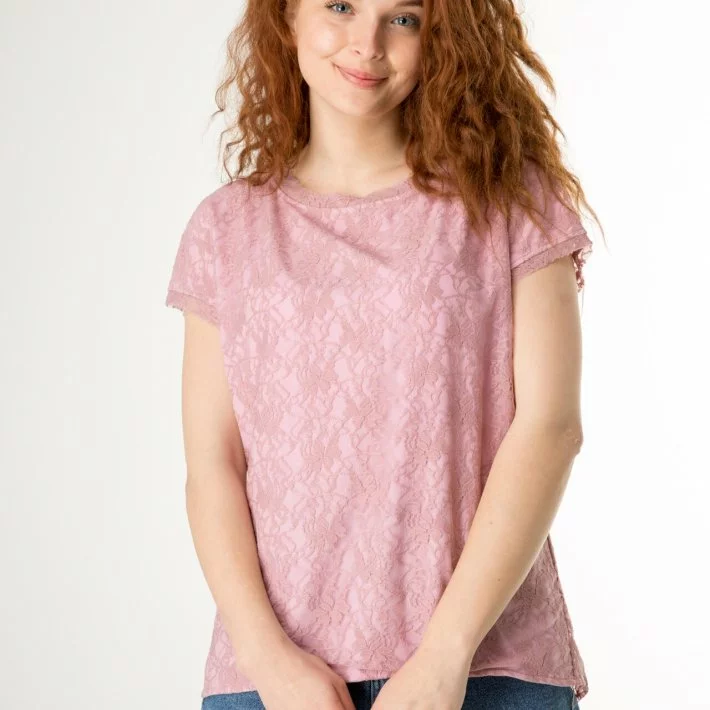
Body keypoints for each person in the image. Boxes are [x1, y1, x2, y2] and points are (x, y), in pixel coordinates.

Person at [164, 1, 604, 708]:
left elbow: (551, 427)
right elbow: (214, 464)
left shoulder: (510, 201)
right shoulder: (226, 230)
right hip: (276, 682)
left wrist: (445, 654)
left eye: (403, 18)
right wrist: (268, 659)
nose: (367, 43)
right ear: (287, 17)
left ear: (441, 35)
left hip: (484, 669)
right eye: (340, 6)